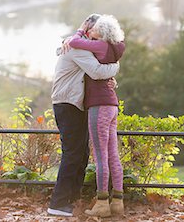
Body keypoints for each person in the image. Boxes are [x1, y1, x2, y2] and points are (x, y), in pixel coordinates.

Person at [47, 14, 119, 218]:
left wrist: (112, 80)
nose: (99, 39)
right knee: (72, 153)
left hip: (76, 103)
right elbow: (96, 71)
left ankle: (72, 199)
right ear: (88, 30)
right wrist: (116, 68)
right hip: (67, 103)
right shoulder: (78, 47)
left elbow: (96, 73)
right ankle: (58, 203)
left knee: (81, 153)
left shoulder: (82, 45)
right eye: (97, 33)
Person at [68, 14, 125, 218]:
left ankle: (102, 203)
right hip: (112, 104)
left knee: (100, 156)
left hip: (98, 106)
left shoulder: (100, 46)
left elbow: (74, 42)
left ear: (102, 31)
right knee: (113, 155)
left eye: (95, 29)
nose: (91, 32)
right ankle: (118, 201)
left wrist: (81, 29)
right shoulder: (118, 47)